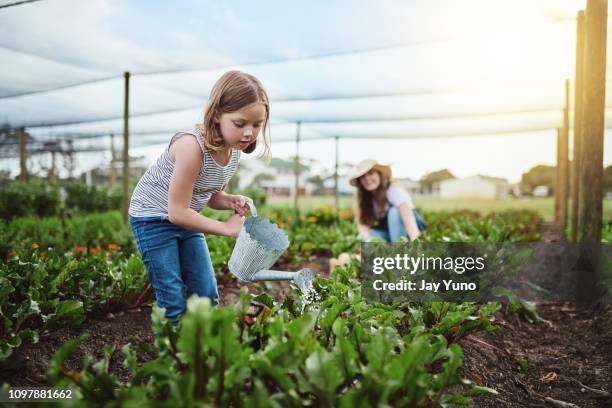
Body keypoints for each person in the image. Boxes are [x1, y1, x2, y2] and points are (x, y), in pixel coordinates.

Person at [128, 70, 270, 325]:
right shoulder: (191, 147)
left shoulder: (233, 151)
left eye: (256, 125)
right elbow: (177, 212)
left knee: (205, 293)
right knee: (172, 299)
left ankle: (201, 349)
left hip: (185, 219)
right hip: (153, 220)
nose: (249, 133)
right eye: (240, 124)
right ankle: (175, 359)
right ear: (216, 115)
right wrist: (226, 229)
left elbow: (209, 195)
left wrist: (229, 200)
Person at [350, 159, 426, 242]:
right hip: (390, 232)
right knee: (362, 237)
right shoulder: (365, 198)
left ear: (379, 174)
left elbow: (409, 221)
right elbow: (362, 225)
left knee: (394, 212)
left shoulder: (392, 190)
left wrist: (417, 243)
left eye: (371, 173)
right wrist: (369, 240)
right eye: (363, 176)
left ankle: (399, 249)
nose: (367, 178)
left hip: (411, 231)